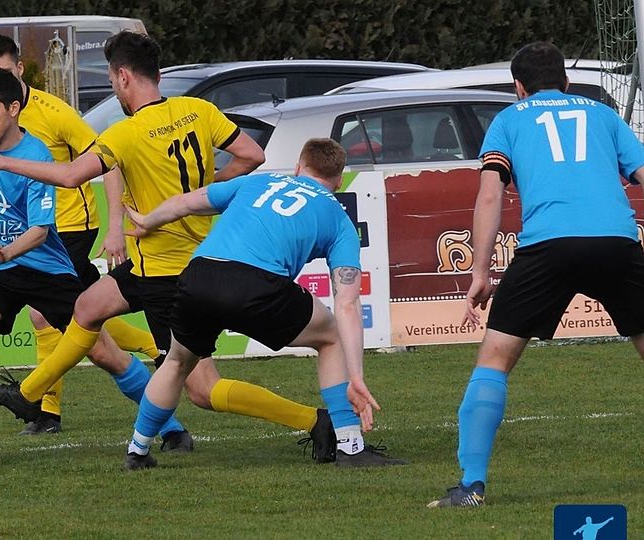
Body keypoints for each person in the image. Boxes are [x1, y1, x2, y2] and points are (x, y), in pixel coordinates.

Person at [0, 31, 338, 463]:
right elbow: (252, 154)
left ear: (123, 76)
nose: (112, 86)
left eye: (110, 78)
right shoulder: (197, 110)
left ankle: (313, 421)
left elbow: (71, 176)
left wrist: (3, 161)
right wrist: (205, 192)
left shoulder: (126, 133)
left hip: (172, 275)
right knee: (87, 307)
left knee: (203, 389)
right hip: (154, 263)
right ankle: (27, 395)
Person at [427, 42, 644, 508]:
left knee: (494, 362)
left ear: (518, 88)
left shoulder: (508, 120)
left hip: (547, 245)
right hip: (616, 242)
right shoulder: (604, 115)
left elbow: (489, 198)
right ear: (566, 82)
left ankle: (471, 487)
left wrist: (480, 272)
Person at [0, 68, 187, 457]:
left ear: (14, 109)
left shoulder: (36, 155)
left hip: (43, 269)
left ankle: (171, 428)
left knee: (104, 353)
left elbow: (38, 232)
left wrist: (6, 251)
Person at [120, 138, 407, 469]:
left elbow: (189, 202)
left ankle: (137, 452)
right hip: (255, 285)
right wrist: (356, 376)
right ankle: (351, 447)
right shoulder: (338, 217)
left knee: (176, 362)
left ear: (299, 167)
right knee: (331, 336)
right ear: (338, 181)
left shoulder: (259, 181)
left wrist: (148, 221)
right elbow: (347, 302)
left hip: (199, 274)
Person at [0, 34, 165, 438]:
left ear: (20, 71)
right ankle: (148, 349)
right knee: (80, 315)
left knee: (55, 316)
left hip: (68, 229)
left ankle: (45, 409)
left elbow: (108, 162)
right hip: (27, 232)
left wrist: (114, 227)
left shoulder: (54, 112)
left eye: (3, 74)